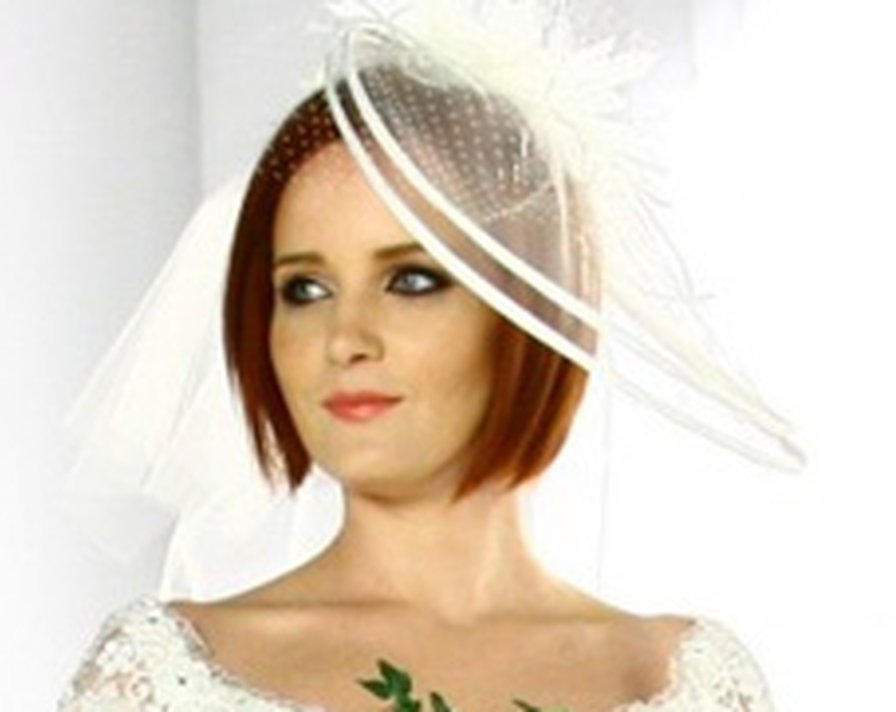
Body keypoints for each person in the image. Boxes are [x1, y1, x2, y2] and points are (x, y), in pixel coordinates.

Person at [57, 1, 793, 710]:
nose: (345, 339)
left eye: (410, 280)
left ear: (529, 309)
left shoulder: (681, 680)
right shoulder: (159, 682)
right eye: (305, 289)